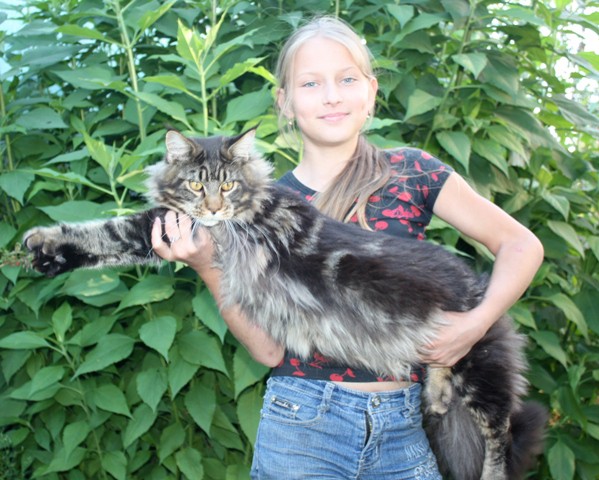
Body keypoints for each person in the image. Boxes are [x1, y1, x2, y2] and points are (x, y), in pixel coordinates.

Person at [151, 15, 544, 480]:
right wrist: (208, 266)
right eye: (311, 83)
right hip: (302, 428)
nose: (331, 96)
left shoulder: (413, 173)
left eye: (347, 79)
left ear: (371, 92)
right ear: (284, 101)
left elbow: (521, 245)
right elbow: (270, 352)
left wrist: (475, 325)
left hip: (405, 429)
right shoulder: (259, 204)